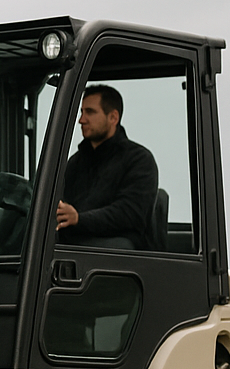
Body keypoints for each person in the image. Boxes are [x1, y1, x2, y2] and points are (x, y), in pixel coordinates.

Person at [55, 84, 158, 249]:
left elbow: (130, 213)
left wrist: (79, 219)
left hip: (117, 256)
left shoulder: (139, 160)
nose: (81, 120)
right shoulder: (75, 162)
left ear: (113, 118)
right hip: (75, 244)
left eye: (90, 112)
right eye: (82, 112)